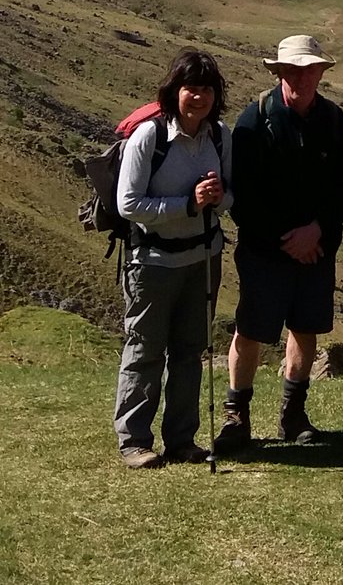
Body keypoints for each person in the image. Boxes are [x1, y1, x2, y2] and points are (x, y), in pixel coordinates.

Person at [215, 35, 343, 452]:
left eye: (308, 69)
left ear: (320, 73)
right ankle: (236, 417)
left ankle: (293, 415)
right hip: (264, 251)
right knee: (251, 331)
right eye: (292, 70)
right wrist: (289, 240)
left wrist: (317, 231)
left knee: (305, 328)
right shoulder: (254, 120)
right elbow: (243, 195)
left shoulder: (334, 121)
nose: (301, 77)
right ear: (279, 72)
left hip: (317, 249)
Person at [114, 48, 231, 469]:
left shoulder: (220, 135)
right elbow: (128, 204)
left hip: (202, 258)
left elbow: (230, 198)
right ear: (174, 91)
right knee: (145, 349)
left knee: (190, 351)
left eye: (207, 90)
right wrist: (188, 205)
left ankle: (182, 440)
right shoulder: (149, 137)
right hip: (153, 263)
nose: (199, 97)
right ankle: (134, 442)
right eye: (191, 88)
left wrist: (218, 198)